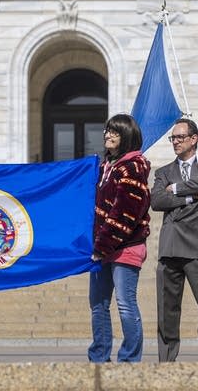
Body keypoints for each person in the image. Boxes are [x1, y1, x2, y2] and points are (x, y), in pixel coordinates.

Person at [151, 118, 198, 362]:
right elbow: (158, 201)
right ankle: (166, 361)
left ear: (194, 139)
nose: (175, 142)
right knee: (167, 310)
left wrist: (177, 189)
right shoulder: (163, 172)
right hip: (171, 247)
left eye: (180, 137)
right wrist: (191, 198)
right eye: (173, 138)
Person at [88, 113, 151, 363]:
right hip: (101, 248)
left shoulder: (133, 167)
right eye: (107, 130)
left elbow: (125, 213)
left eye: (114, 131)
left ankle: (129, 359)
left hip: (125, 246)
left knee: (125, 304)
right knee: (98, 305)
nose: (108, 135)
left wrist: (102, 246)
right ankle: (99, 358)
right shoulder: (105, 166)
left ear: (127, 136)